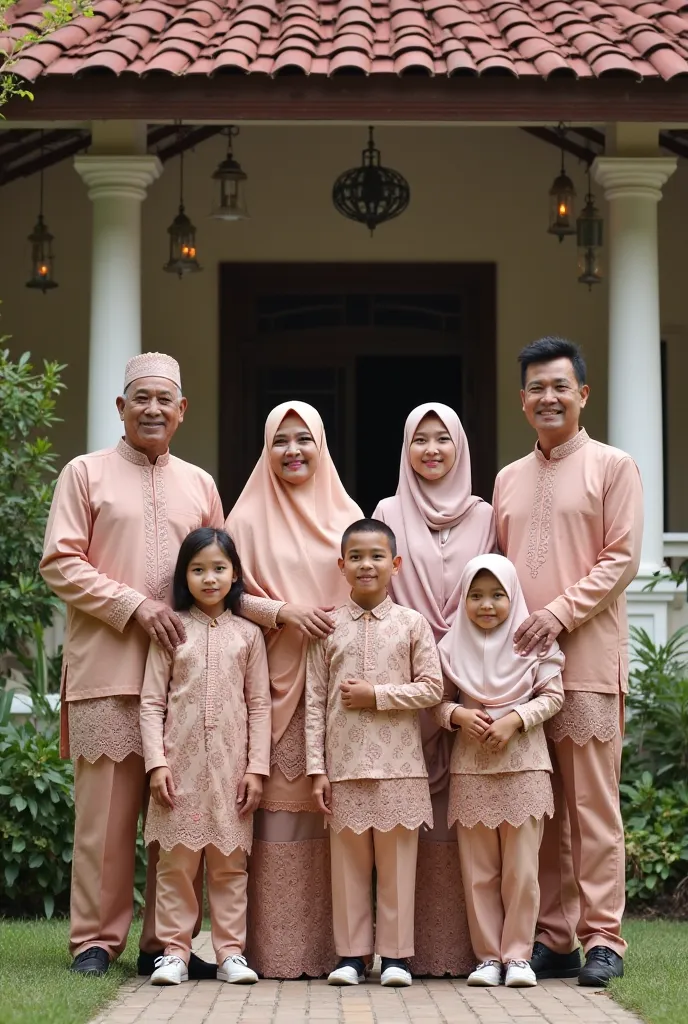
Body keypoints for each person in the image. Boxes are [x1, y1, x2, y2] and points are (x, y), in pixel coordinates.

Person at [40, 352, 224, 977]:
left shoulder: (199, 484)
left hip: (187, 679)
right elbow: (60, 562)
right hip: (109, 672)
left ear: (181, 410)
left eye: (163, 399)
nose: (152, 408)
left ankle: (165, 945)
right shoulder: (84, 474)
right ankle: (95, 939)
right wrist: (133, 607)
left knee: (177, 818)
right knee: (107, 821)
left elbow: (221, 573)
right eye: (139, 398)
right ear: (120, 407)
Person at [492, 336, 643, 987]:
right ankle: (553, 936)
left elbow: (621, 558)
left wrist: (558, 613)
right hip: (520, 673)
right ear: (523, 400)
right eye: (536, 388)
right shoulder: (506, 479)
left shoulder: (614, 466)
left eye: (561, 386)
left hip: (584, 660)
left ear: (583, 393)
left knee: (591, 808)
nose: (548, 397)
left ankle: (603, 936)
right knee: (539, 805)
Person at [225, 402, 362, 978]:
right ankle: (274, 953)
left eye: (304, 439)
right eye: (280, 441)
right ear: (266, 448)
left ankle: (337, 952)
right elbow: (226, 592)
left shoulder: (347, 512)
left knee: (330, 813)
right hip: (270, 682)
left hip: (334, 687)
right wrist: (283, 611)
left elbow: (368, 582)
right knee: (277, 817)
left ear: (322, 444)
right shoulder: (246, 518)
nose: (293, 451)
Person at [373, 403, 496, 976]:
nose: (430, 450)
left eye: (442, 439)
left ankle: (467, 945)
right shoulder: (387, 511)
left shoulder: (485, 515)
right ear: (405, 448)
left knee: (467, 804)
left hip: (475, 672)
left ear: (460, 447)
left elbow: (496, 589)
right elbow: (382, 587)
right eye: (419, 439)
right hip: (410, 673)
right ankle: (406, 946)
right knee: (408, 798)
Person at [306, 518, 444, 989]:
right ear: (342, 565)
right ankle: (351, 956)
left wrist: (377, 695)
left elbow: (432, 688)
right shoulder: (327, 627)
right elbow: (313, 703)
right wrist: (316, 768)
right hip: (343, 769)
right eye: (357, 557)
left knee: (398, 866)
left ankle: (398, 957)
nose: (367, 565)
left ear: (396, 564)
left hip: (401, 769)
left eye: (377, 556)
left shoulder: (412, 624)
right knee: (347, 867)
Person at [140, 528, 271, 986]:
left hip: (233, 771)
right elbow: (152, 701)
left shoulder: (249, 635)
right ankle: (174, 952)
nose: (209, 578)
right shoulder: (172, 630)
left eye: (219, 568)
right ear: (185, 576)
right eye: (198, 569)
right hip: (178, 770)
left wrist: (257, 769)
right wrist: (155, 763)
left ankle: (230, 952)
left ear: (235, 573)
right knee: (176, 864)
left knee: (230, 864)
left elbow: (259, 704)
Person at [436, 554, 564, 988]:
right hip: (471, 771)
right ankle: (488, 958)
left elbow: (553, 696)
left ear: (513, 598)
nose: (486, 605)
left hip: (524, 767)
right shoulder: (449, 646)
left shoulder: (536, 645)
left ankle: (519, 957)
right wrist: (457, 716)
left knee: (522, 870)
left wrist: (515, 719)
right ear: (464, 600)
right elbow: (434, 701)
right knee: (479, 872)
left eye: (497, 595)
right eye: (476, 596)